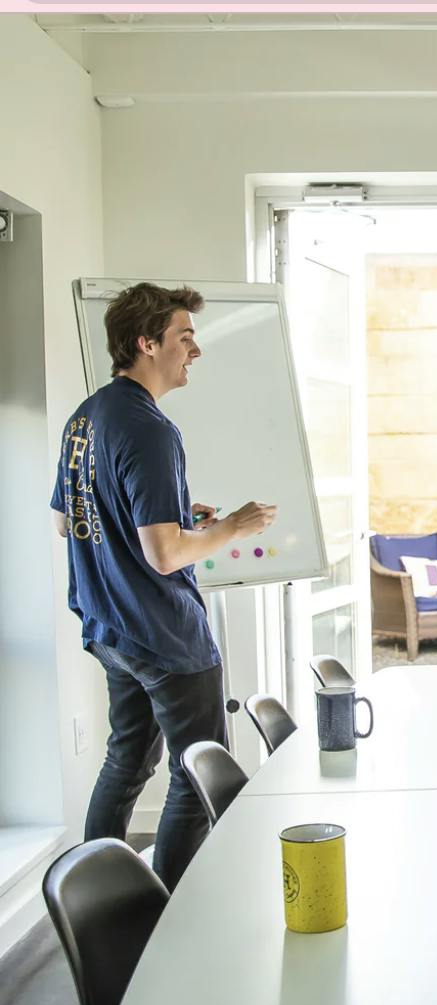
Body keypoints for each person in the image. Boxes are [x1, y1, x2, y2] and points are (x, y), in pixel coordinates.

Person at [50, 282, 276, 890]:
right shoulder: (151, 429)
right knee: (198, 768)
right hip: (162, 633)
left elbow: (68, 517)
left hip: (110, 628)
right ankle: (171, 904)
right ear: (148, 344)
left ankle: (99, 890)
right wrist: (232, 526)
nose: (194, 351)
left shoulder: (86, 417)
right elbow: (167, 553)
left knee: (127, 759)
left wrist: (170, 511)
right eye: (185, 337)